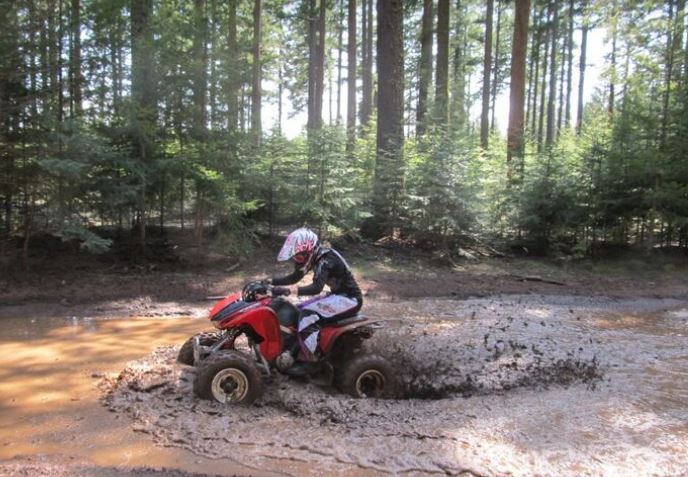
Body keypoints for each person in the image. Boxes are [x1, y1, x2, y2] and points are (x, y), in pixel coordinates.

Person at [265, 227, 363, 369]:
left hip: (350, 299)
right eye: (295, 256)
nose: (297, 260)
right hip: (338, 296)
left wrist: (287, 291)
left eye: (298, 256)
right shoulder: (315, 257)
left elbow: (316, 287)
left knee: (307, 315)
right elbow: (295, 277)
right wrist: (269, 282)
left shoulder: (326, 259)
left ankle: (312, 360)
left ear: (309, 250)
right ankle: (291, 350)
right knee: (296, 310)